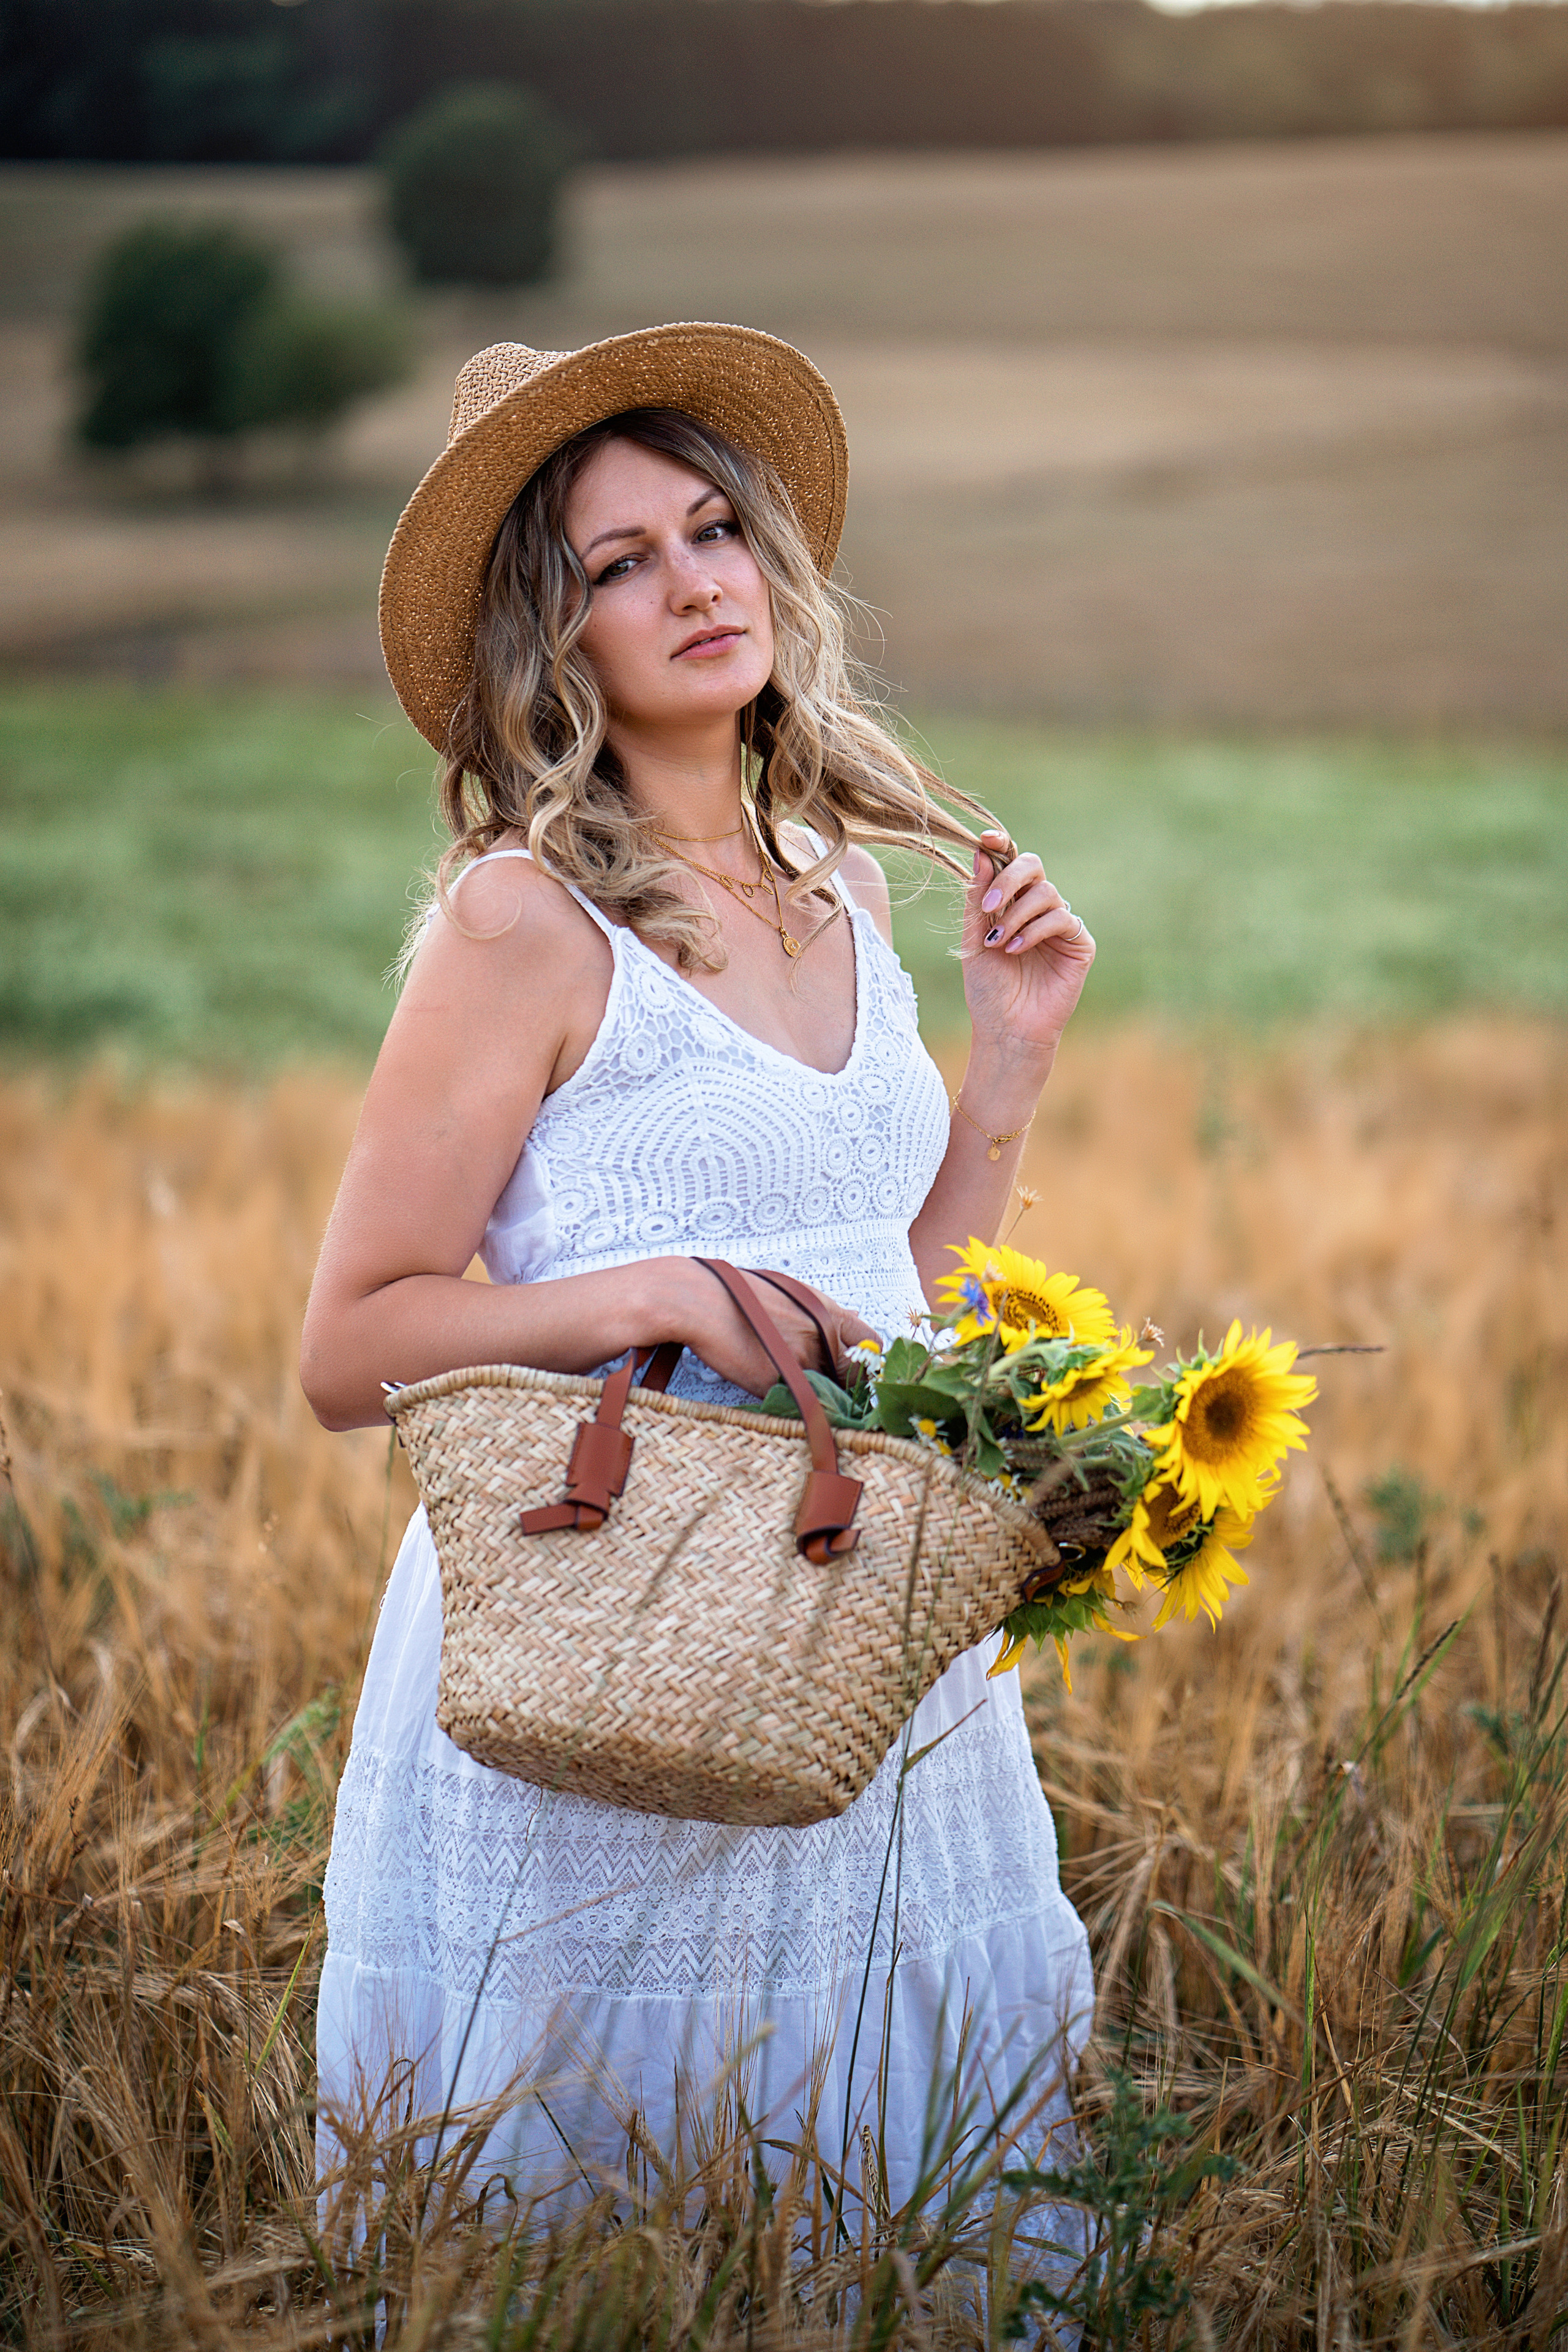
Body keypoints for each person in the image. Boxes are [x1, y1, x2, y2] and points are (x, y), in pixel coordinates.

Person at [303, 326, 1096, 2234]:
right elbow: (351, 1348)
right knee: (619, 2215)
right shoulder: (521, 921)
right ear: (550, 642)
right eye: (618, 565)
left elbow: (883, 1308)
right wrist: (631, 1290)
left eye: (712, 528)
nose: (695, 583)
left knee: (897, 2192)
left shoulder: (844, 881)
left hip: (848, 1633)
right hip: (612, 1622)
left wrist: (1006, 1071)